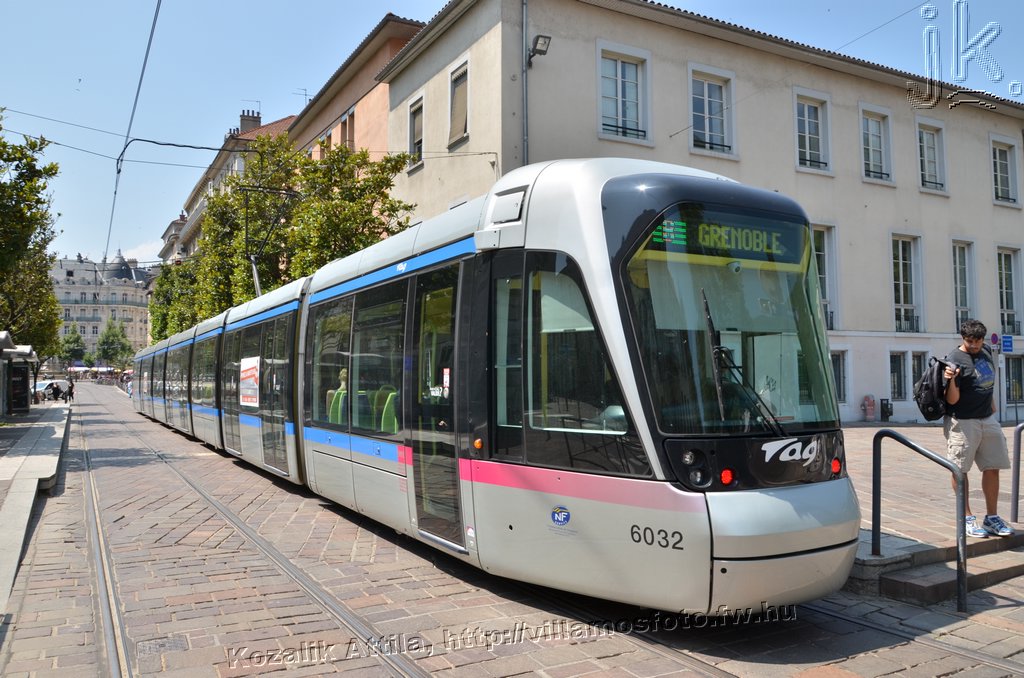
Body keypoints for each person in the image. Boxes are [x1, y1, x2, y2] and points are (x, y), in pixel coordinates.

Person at [943, 319, 1015, 538]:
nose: (974, 345)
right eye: (969, 341)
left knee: (993, 466)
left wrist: (991, 404)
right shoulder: (954, 359)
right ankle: (966, 518)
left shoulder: (985, 351)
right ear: (963, 338)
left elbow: (985, 382)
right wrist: (951, 380)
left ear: (983, 339)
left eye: (977, 340)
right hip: (963, 421)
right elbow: (952, 400)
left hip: (987, 418)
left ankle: (992, 517)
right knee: (960, 469)